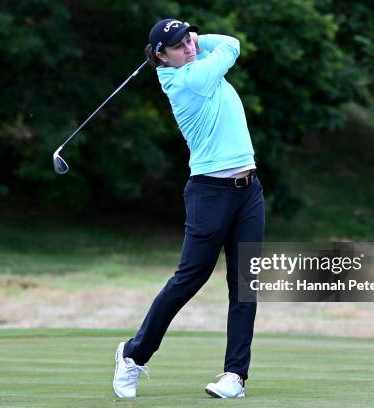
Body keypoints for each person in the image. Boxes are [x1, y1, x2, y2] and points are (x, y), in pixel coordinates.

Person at [112, 18, 265, 399]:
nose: (190, 47)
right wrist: (202, 41)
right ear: (162, 57)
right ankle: (133, 354)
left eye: (189, 39)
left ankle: (235, 376)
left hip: (249, 189)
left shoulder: (194, 64)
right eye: (179, 46)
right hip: (210, 193)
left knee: (245, 285)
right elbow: (231, 44)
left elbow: (226, 42)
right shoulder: (186, 81)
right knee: (190, 278)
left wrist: (194, 38)